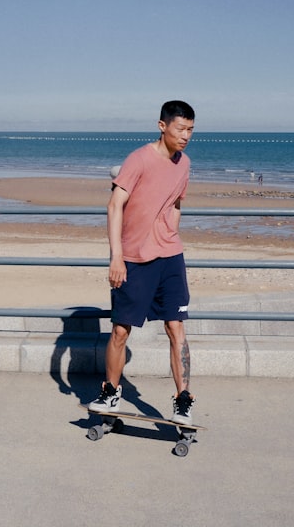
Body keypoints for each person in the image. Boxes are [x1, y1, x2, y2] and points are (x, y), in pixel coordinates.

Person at [87, 100, 196, 425]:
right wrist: (117, 256)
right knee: (121, 330)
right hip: (134, 259)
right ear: (162, 126)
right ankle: (111, 391)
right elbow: (114, 205)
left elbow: (177, 202)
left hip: (170, 258)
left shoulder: (185, 163)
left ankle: (183, 400)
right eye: (180, 128)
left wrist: (170, 232)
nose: (186, 135)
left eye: (191, 130)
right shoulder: (139, 159)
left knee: (176, 327)